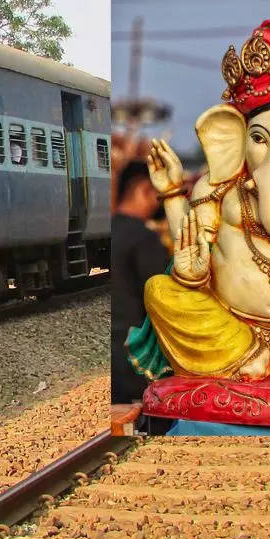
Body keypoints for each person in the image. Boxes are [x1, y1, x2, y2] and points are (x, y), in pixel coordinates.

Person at [109, 159, 170, 406]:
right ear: (145, 190)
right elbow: (162, 302)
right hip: (132, 360)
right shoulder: (143, 239)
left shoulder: (111, 232)